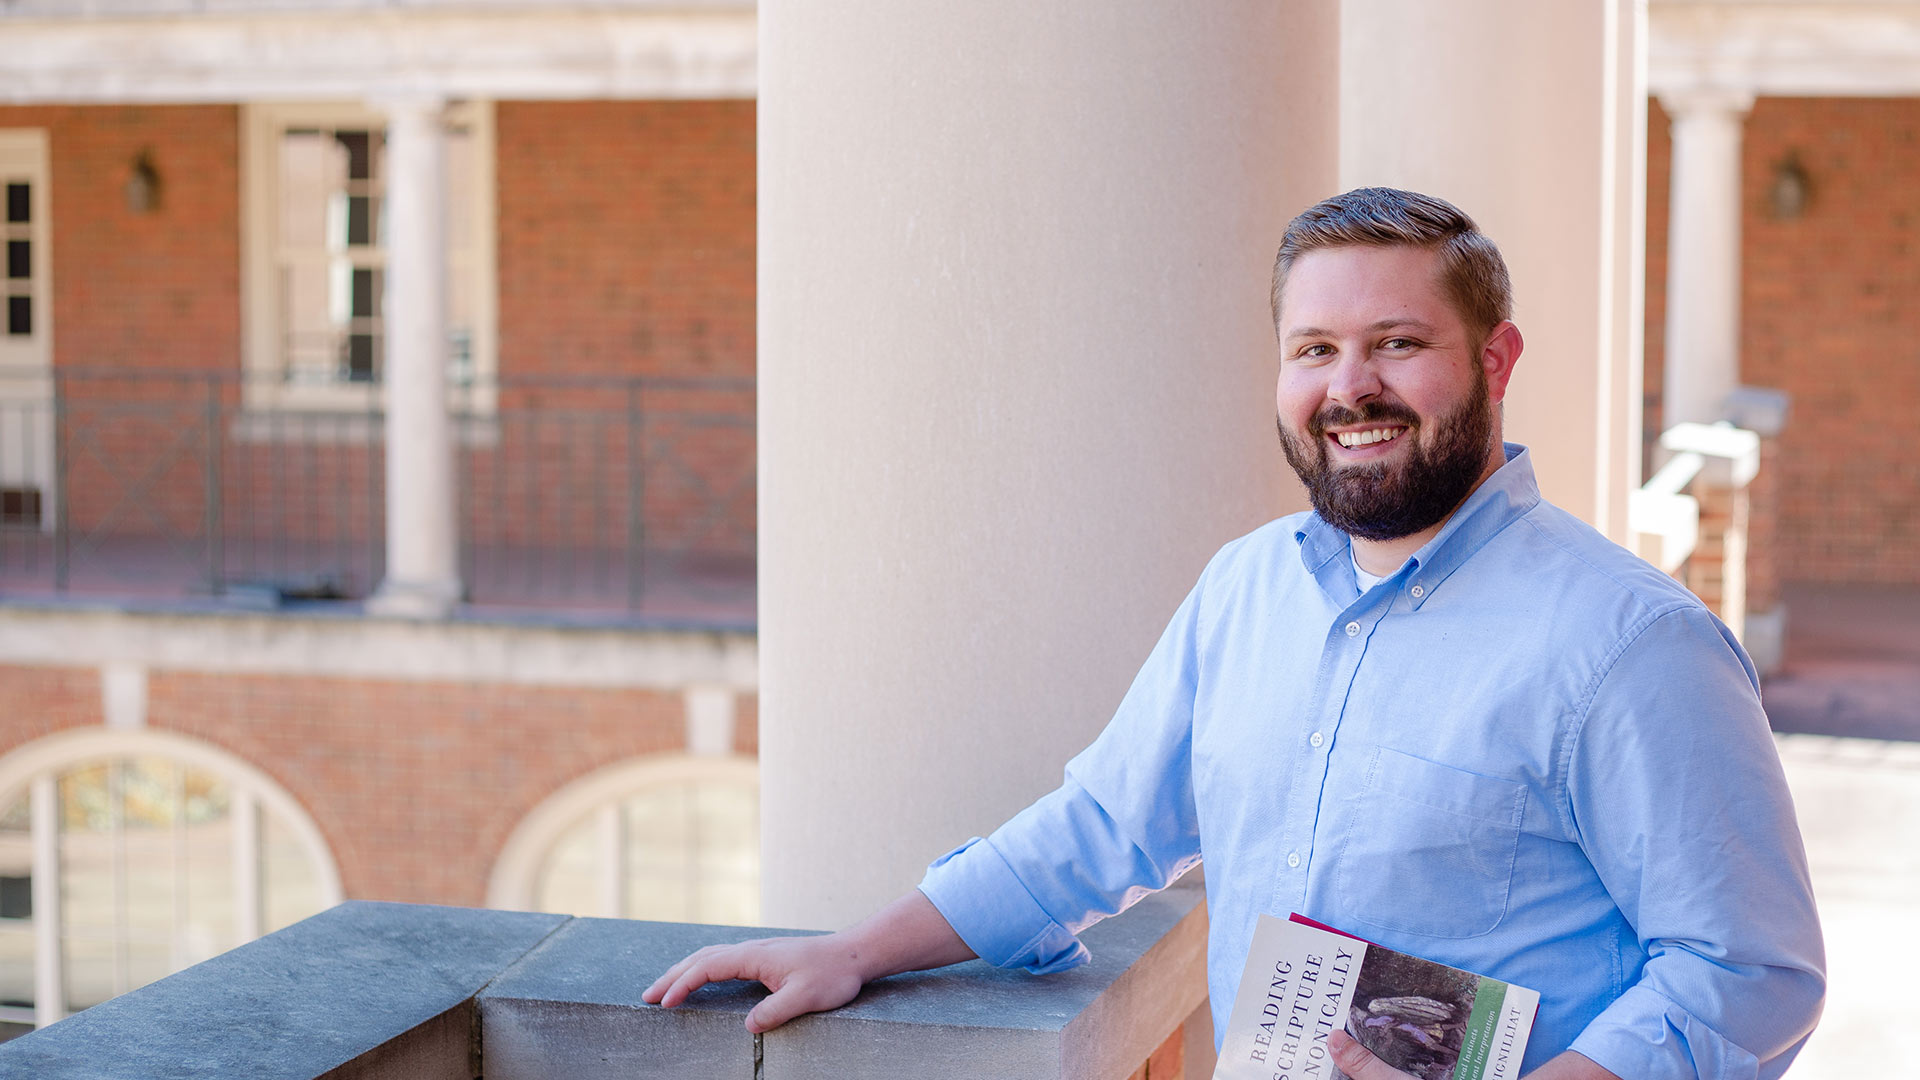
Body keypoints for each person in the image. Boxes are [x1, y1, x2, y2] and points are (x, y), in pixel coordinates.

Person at [644, 188, 1825, 1080]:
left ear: (1496, 360)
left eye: (1398, 344)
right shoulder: (1245, 589)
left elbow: (1749, 972)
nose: (1350, 386)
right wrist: (857, 949)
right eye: (1315, 349)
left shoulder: (1632, 644)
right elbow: (1103, 826)